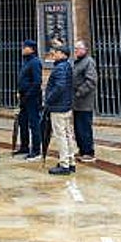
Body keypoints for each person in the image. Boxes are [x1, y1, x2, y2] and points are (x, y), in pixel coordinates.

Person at [45, 42, 76, 175]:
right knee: (68, 134)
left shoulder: (60, 68)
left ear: (63, 54)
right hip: (66, 105)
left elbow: (59, 87)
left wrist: (48, 99)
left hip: (59, 107)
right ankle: (71, 161)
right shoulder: (67, 66)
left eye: (56, 52)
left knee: (61, 136)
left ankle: (64, 164)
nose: (54, 54)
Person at [15, 39, 43, 161]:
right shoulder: (26, 62)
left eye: (25, 46)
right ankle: (24, 146)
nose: (22, 48)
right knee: (23, 122)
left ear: (31, 49)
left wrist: (28, 95)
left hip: (32, 98)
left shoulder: (35, 62)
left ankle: (36, 150)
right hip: (24, 97)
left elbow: (37, 82)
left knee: (34, 123)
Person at [72, 40, 98, 163]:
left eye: (78, 48)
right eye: (75, 48)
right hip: (76, 103)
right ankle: (82, 149)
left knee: (85, 128)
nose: (76, 50)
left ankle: (88, 152)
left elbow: (91, 81)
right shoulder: (78, 62)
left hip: (84, 102)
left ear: (85, 49)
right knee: (78, 128)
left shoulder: (88, 62)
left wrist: (78, 93)